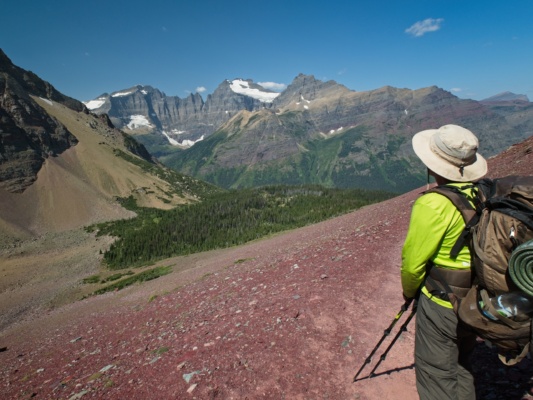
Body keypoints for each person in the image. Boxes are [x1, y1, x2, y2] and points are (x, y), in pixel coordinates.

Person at [401, 124, 488, 400]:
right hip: (478, 298)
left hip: (443, 302)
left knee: (436, 373)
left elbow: (413, 264)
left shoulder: (432, 204)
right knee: (463, 364)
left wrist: (409, 292)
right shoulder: (482, 193)